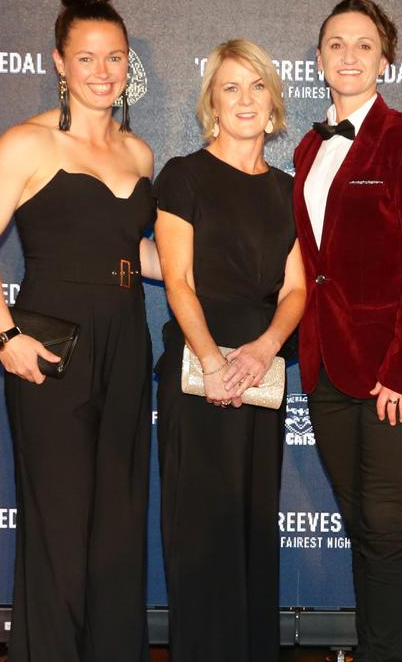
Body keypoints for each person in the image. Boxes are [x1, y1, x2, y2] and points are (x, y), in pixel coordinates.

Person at [0, 0, 157, 662]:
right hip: (54, 345)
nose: (104, 73)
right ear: (59, 64)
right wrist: (6, 334)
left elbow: (143, 254)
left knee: (120, 523)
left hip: (128, 339)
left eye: (116, 58)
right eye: (88, 59)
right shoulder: (27, 144)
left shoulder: (138, 153)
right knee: (60, 524)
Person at [293, 0, 402, 662]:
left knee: (387, 531)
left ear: (385, 59)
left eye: (365, 45)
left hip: (398, 370)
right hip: (329, 369)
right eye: (337, 43)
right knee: (363, 528)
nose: (350, 56)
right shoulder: (309, 146)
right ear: (320, 58)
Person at [153, 39, 305, 662]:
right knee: (200, 530)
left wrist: (265, 350)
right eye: (230, 87)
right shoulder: (183, 176)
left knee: (250, 525)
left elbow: (296, 289)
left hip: (262, 374)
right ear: (211, 103)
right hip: (198, 373)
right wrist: (215, 362)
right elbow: (178, 280)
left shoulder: (289, 190)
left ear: (273, 103)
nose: (245, 99)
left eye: (257, 86)